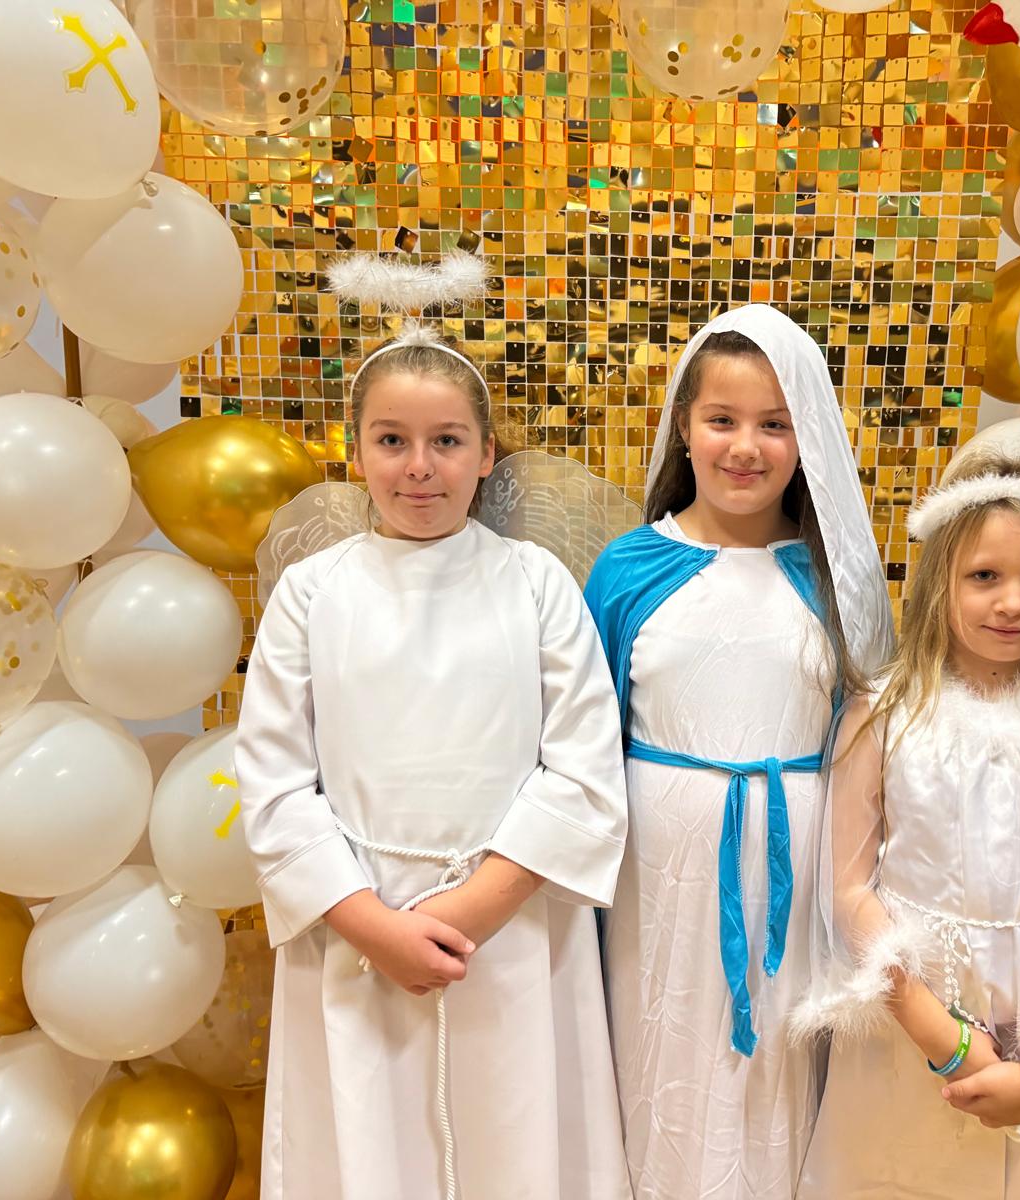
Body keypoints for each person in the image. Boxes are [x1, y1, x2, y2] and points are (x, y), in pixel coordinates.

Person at [236, 325, 632, 1200]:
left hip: (509, 928)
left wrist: (469, 914)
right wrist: (376, 930)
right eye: (392, 440)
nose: (419, 467)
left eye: (446, 441)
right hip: (358, 931)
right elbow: (273, 783)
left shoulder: (536, 583)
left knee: (513, 1143)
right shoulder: (311, 593)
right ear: (356, 451)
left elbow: (583, 771)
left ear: (486, 454)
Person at [585, 304, 892, 1198]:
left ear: (808, 439)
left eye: (775, 424)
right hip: (654, 872)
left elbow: (872, 739)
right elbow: (584, 734)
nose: (745, 447)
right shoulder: (630, 569)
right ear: (685, 427)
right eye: (722, 419)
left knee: (777, 1067)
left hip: (800, 867)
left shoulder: (835, 580)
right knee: (657, 1044)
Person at [793, 445, 1020, 1199]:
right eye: (985, 576)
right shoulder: (881, 717)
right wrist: (945, 1039)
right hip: (911, 1020)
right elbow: (849, 889)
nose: (1013, 602)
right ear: (941, 582)